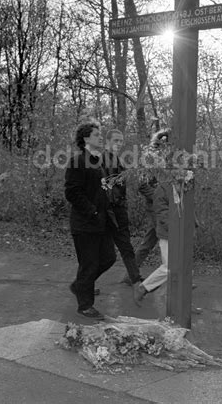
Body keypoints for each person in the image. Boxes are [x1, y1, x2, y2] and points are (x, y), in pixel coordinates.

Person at [64, 122, 116, 319]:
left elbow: (98, 187)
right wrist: (92, 211)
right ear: (86, 138)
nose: (100, 138)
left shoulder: (98, 161)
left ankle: (80, 285)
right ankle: (85, 305)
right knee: (89, 264)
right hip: (85, 223)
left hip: (102, 221)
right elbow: (72, 192)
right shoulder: (77, 160)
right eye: (96, 135)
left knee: (109, 257)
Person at [100, 129, 143, 302]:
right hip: (107, 211)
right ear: (107, 141)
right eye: (116, 140)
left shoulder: (118, 160)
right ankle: (83, 283)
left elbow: (121, 186)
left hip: (118, 209)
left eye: (121, 141)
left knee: (125, 246)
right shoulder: (100, 160)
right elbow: (104, 187)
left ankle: (136, 280)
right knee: (100, 252)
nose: (119, 144)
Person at [133, 129, 172, 302]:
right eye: (163, 142)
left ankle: (132, 273)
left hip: (164, 204)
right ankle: (135, 276)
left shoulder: (166, 157)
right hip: (155, 206)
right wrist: (159, 195)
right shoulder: (148, 157)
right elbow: (142, 185)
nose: (166, 145)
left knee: (151, 239)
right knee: (160, 237)